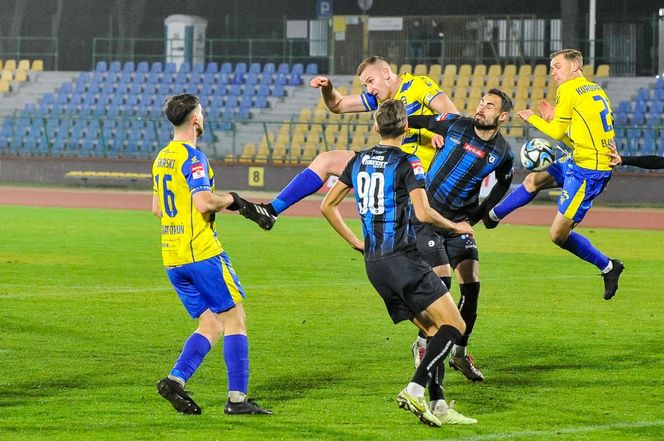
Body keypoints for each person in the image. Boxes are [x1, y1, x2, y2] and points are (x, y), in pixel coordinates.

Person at [320, 99, 477, 427]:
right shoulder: (409, 162)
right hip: (403, 260)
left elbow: (327, 206)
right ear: (406, 129)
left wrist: (354, 242)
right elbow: (423, 213)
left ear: (376, 126)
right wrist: (455, 226)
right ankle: (415, 390)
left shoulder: (358, 160)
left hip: (374, 264)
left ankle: (439, 405)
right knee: (455, 326)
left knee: (434, 331)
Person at [236, 55, 458, 230]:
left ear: (386, 72)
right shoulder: (379, 97)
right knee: (326, 160)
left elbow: (452, 115)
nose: (369, 88)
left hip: (414, 168)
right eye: (365, 85)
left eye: (370, 81)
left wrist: (435, 132)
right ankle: (272, 211)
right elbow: (338, 105)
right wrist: (328, 87)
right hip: (389, 161)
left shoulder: (417, 85)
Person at [151, 93, 271, 416]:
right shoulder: (194, 158)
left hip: (172, 257)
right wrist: (232, 199)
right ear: (195, 120)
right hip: (201, 253)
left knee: (211, 324)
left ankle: (176, 380)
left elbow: (157, 208)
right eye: (201, 113)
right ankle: (237, 400)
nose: (203, 118)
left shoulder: (162, 158)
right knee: (235, 320)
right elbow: (203, 202)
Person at [482, 49, 625, 300]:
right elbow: (581, 134)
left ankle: (609, 266)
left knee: (558, 234)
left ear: (575, 67)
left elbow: (557, 134)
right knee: (533, 180)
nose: (553, 71)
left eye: (558, 66)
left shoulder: (568, 89)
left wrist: (535, 119)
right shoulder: (594, 89)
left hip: (589, 171)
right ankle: (491, 215)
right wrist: (552, 118)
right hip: (581, 157)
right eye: (552, 67)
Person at [408, 89, 515, 384]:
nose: (481, 108)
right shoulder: (454, 124)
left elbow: (502, 186)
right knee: (441, 283)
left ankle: (459, 353)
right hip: (429, 216)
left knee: (472, 289)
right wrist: (426, 137)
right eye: (481, 102)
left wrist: (478, 216)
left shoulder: (503, 152)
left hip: (459, 223)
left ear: (502, 117)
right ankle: (422, 344)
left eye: (489, 105)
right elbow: (412, 120)